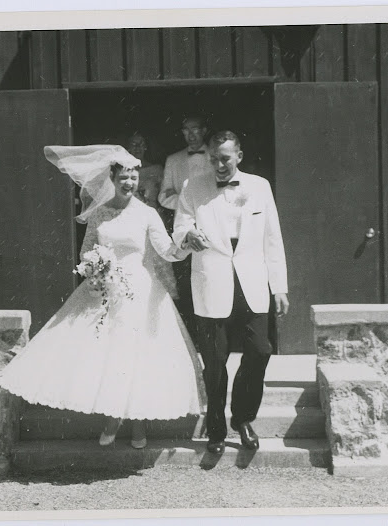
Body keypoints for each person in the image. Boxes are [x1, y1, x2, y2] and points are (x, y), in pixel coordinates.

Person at [0, 145, 204, 450]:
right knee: (108, 358)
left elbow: (166, 251)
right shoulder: (99, 214)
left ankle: (138, 423)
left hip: (139, 292)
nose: (129, 183)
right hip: (104, 291)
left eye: (133, 177)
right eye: (123, 178)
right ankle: (112, 417)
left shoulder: (147, 214)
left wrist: (185, 245)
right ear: (112, 179)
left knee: (137, 356)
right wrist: (96, 267)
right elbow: (86, 251)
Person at [173, 131, 290, 455]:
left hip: (252, 284)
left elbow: (272, 239)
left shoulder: (260, 186)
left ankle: (243, 418)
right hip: (212, 282)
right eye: (213, 159)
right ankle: (215, 429)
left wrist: (279, 287)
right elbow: (180, 226)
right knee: (214, 362)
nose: (219, 165)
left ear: (239, 155)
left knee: (260, 350)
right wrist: (188, 236)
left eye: (225, 158)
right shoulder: (193, 186)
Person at [158, 115, 215, 341]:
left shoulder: (216, 156)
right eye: (186, 130)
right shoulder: (174, 160)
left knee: (212, 279)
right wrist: (187, 202)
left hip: (213, 228)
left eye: (195, 129)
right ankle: (192, 336)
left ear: (204, 130)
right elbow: (164, 195)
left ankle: (212, 335)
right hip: (184, 229)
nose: (191, 135)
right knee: (187, 282)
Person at [127, 131, 178, 300]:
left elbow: (166, 194)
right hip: (130, 220)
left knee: (158, 260)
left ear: (146, 147)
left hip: (152, 219)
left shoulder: (156, 170)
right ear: (128, 147)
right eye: (134, 144)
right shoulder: (123, 172)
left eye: (141, 144)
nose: (138, 147)